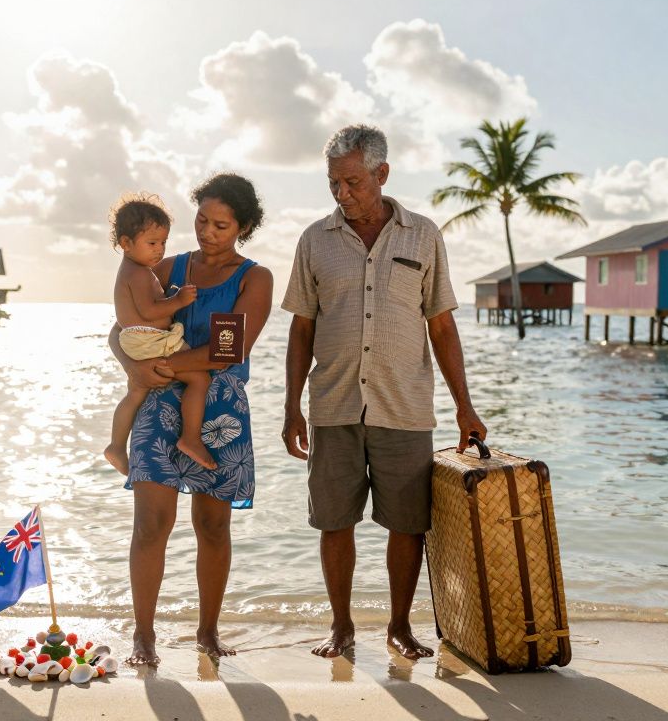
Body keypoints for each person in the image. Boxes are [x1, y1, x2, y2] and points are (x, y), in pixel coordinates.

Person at [281, 124, 487, 661]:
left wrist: (465, 404)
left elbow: (441, 326)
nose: (342, 194)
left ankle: (399, 626)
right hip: (333, 405)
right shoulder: (313, 241)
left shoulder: (423, 235)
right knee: (333, 520)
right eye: (333, 183)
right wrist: (291, 407)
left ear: (382, 173)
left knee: (408, 523)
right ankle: (342, 626)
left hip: (405, 406)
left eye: (352, 182)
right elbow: (301, 328)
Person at [107, 174, 274, 666]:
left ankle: (207, 632)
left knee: (212, 526)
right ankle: (144, 636)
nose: (207, 232)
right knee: (150, 525)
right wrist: (132, 365)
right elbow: (123, 326)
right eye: (202, 220)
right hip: (158, 402)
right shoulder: (167, 265)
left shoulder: (254, 278)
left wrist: (162, 367)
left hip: (219, 408)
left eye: (221, 225)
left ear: (242, 227)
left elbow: (228, 351)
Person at [103, 193, 215, 474]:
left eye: (163, 242)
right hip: (148, 340)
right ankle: (190, 438)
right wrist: (178, 301)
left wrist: (169, 296)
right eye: (152, 243)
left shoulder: (134, 270)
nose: (159, 250)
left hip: (138, 340)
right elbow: (149, 310)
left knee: (136, 393)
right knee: (200, 379)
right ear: (126, 244)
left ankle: (116, 446)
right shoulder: (138, 274)